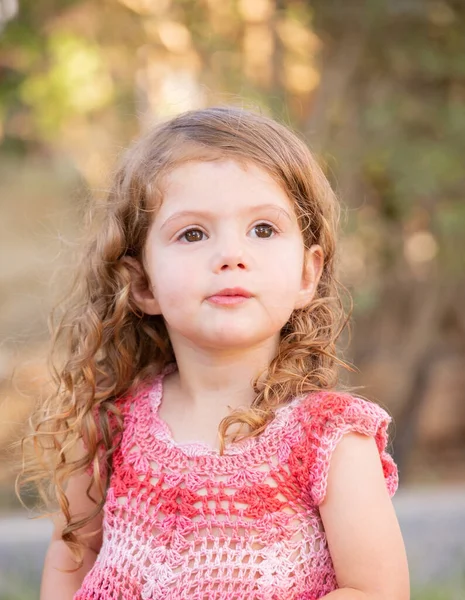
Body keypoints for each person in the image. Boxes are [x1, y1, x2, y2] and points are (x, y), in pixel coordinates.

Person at [18, 106, 410, 600]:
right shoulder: (108, 422)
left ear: (307, 274)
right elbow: (73, 556)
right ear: (142, 282)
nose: (231, 254)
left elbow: (377, 590)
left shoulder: (329, 440)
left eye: (263, 229)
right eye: (193, 233)